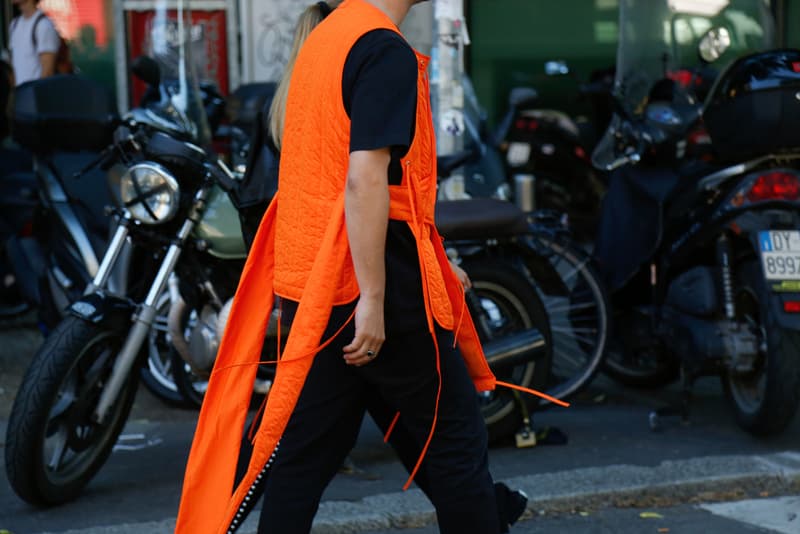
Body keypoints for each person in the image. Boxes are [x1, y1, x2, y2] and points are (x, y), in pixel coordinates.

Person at [176, 1, 519, 532]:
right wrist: (375, 299)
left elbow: (358, 182)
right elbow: (363, 180)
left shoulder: (326, 39)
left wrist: (435, 263)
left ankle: (492, 510)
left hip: (316, 285)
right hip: (376, 283)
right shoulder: (383, 48)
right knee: (456, 451)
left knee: (302, 464)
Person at [8, 0, 61, 86]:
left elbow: (47, 73)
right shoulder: (14, 25)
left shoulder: (44, 25)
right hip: (19, 95)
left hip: (35, 96)